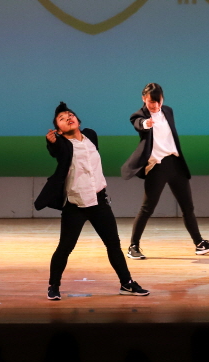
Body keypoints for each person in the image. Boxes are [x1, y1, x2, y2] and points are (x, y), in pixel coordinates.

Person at [36, 101, 149, 301]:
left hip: (99, 202)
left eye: (70, 115)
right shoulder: (63, 145)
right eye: (62, 119)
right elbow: (56, 151)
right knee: (65, 247)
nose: (68, 118)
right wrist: (51, 142)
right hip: (75, 205)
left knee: (113, 245)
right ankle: (53, 285)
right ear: (58, 130)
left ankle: (127, 283)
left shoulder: (91, 136)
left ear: (78, 121)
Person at [121, 82, 209, 259]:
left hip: (175, 163)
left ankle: (199, 243)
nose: (156, 105)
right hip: (157, 166)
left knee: (187, 207)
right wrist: (146, 124)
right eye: (152, 101)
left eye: (158, 101)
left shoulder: (168, 111)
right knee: (147, 208)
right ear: (144, 99)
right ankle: (133, 246)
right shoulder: (139, 115)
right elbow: (138, 124)